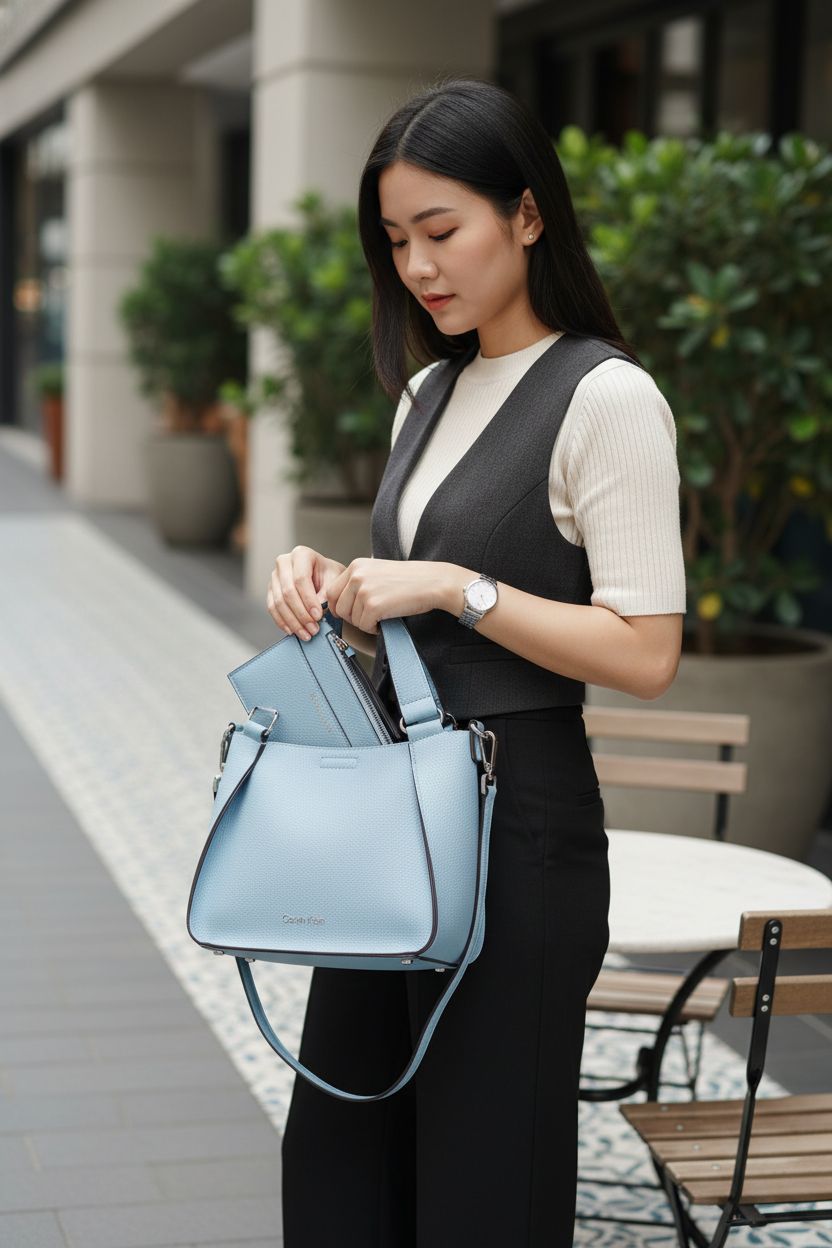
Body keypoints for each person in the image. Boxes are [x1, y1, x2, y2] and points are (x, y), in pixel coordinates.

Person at [266, 76, 686, 1248]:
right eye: (395, 241)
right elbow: (410, 619)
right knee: (345, 1156)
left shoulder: (607, 396)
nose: (416, 266)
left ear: (528, 215)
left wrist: (459, 586)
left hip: (521, 831)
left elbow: (646, 653)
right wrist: (326, 585)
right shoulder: (427, 393)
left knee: (481, 1181)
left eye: (440, 231)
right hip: (394, 823)